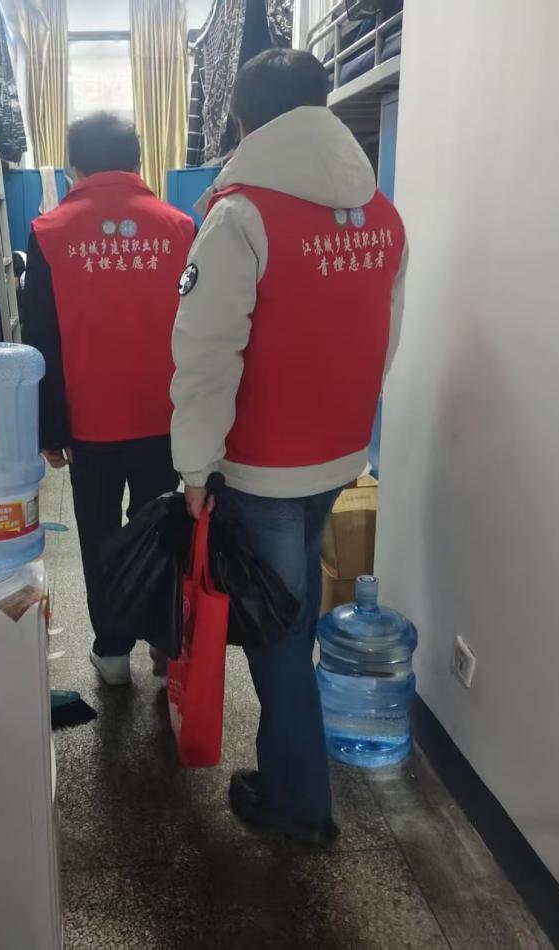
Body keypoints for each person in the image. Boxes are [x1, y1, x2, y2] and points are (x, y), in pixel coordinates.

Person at [170, 49, 408, 845]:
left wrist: (194, 465)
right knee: (293, 607)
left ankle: (300, 805)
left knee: (274, 632)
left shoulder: (239, 214)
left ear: (241, 119)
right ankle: (293, 779)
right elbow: (382, 340)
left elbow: (205, 355)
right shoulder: (383, 214)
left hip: (265, 463)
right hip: (338, 453)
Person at [24, 112, 197, 686]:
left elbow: (41, 339)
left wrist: (50, 429)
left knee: (99, 536)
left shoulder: (49, 231)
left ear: (73, 165)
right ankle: (164, 647)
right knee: (161, 532)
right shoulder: (181, 228)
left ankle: (114, 652)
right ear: (137, 161)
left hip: (88, 425)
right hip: (165, 417)